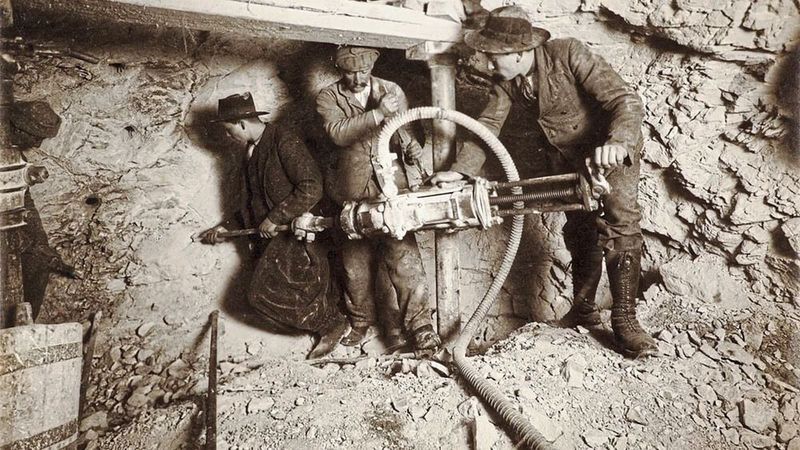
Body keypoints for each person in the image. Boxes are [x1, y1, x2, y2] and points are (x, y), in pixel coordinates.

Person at [431, 6, 657, 358]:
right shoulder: (507, 81)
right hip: (571, 162)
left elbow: (623, 100)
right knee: (580, 228)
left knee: (619, 220)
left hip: (610, 151)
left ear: (520, 52)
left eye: (494, 59)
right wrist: (462, 171)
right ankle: (583, 311)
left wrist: (618, 143)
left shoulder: (568, 53)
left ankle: (625, 321)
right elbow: (488, 125)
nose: (489, 66)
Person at [198, 92, 348, 359]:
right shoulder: (251, 151)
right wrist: (225, 227)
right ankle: (323, 323)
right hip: (275, 237)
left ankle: (331, 324)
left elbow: (312, 187)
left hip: (297, 233)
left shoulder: (284, 141)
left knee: (260, 294)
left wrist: (276, 217)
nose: (229, 136)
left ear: (242, 124)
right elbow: (249, 203)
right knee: (265, 295)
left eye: (229, 130)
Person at [315, 46, 441, 354]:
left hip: (390, 188)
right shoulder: (327, 97)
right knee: (354, 264)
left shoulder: (391, 89)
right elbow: (337, 133)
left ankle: (421, 326)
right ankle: (361, 322)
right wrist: (378, 113)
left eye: (363, 71)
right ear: (338, 70)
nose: (357, 78)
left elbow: (404, 127)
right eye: (349, 72)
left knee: (404, 257)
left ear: (372, 66)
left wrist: (411, 146)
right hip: (350, 189)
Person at [9, 100, 80, 320]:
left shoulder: (15, 157)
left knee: (38, 262)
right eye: (35, 137)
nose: (38, 145)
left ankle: (25, 330)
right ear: (18, 128)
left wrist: (40, 245)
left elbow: (24, 200)